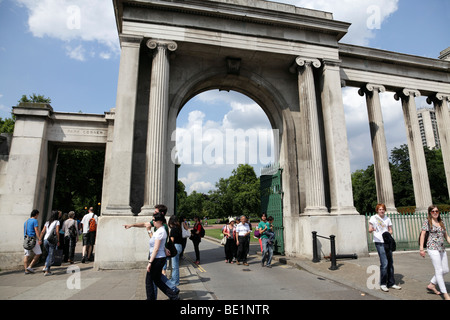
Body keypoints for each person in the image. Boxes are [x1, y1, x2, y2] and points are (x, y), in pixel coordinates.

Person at [126, 212, 179, 300]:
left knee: (150, 281)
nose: (152, 222)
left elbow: (156, 248)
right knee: (156, 281)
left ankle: (169, 296)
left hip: (157, 259)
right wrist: (132, 225)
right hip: (158, 258)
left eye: (154, 220)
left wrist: (150, 262)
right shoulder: (159, 230)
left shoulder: (161, 231)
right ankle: (173, 296)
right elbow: (157, 243)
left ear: (160, 221)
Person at [368, 203, 402, 292]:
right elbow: (369, 229)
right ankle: (383, 283)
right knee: (384, 263)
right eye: (380, 209)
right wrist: (372, 229)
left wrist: (388, 233)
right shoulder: (373, 218)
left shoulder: (387, 219)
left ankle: (391, 282)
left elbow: (390, 230)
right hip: (379, 242)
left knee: (390, 262)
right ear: (377, 210)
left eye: (383, 209)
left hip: (387, 242)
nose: (381, 211)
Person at [419, 205, 450, 300]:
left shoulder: (441, 222)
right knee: (439, 270)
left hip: (441, 248)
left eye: (436, 211)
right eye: (433, 211)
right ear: (430, 213)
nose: (435, 212)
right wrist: (421, 249)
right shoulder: (427, 222)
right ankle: (445, 294)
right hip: (432, 248)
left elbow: (446, 236)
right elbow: (423, 235)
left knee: (445, 270)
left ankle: (432, 284)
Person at [40, 210, 60, 276]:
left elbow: (42, 231)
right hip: (51, 240)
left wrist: (40, 239)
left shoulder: (47, 222)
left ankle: (45, 266)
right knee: (51, 255)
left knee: (49, 254)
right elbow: (57, 232)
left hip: (45, 239)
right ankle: (47, 270)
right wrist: (58, 240)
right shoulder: (57, 222)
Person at [23, 209, 42, 274]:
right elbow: (36, 230)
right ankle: (30, 266)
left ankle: (26, 270)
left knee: (26, 255)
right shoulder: (35, 221)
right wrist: (39, 239)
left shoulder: (26, 222)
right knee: (38, 253)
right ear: (36, 214)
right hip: (33, 239)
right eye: (38, 215)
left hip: (26, 240)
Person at [167, 215, 183, 287]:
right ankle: (175, 280)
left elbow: (172, 240)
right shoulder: (179, 228)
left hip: (175, 246)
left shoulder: (173, 229)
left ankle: (175, 281)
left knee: (174, 266)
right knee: (175, 265)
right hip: (179, 246)